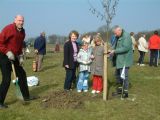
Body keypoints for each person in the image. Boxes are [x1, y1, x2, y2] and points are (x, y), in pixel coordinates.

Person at [0, 15, 36, 109]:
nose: (21, 22)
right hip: (4, 56)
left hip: (15, 56)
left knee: (22, 75)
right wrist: (7, 52)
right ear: (15, 20)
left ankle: (26, 96)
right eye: (19, 20)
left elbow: (19, 45)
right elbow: (0, 43)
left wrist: (20, 56)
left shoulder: (23, 32)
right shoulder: (8, 29)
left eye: (22, 21)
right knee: (6, 80)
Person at [109, 25, 133, 98]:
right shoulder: (118, 36)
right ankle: (120, 90)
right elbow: (115, 45)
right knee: (117, 76)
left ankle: (125, 92)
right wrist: (110, 50)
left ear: (120, 30)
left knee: (124, 76)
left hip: (124, 60)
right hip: (119, 60)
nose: (115, 35)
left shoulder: (126, 36)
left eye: (116, 33)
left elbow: (126, 48)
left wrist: (115, 51)